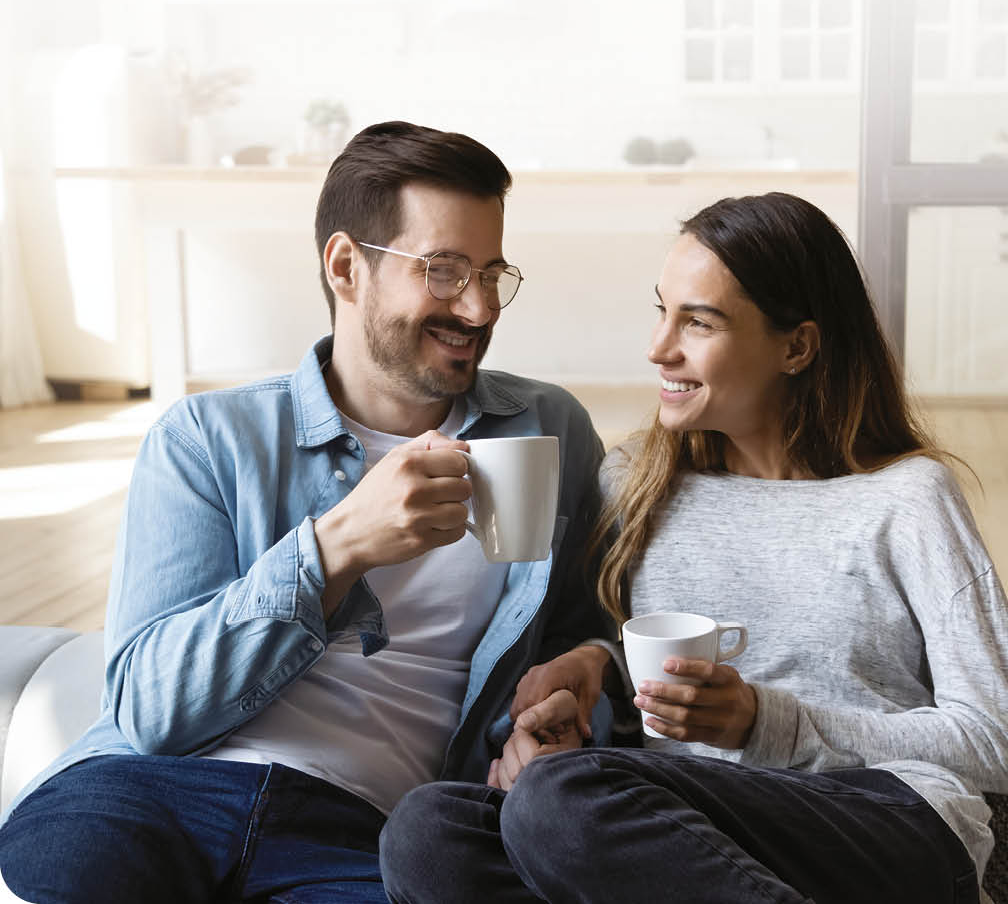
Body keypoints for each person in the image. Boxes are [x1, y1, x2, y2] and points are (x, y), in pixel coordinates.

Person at [0, 121, 607, 904]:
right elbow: (151, 711)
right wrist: (337, 546)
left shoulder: (546, 428)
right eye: (445, 271)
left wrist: (571, 691)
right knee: (74, 868)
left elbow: (585, 635)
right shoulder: (209, 437)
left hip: (364, 832)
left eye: (492, 273)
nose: (480, 306)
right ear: (346, 266)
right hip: (152, 789)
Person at [380, 191, 1008, 904]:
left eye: (697, 321)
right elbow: (643, 711)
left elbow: (995, 743)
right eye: (662, 312)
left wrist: (765, 722)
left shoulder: (908, 498)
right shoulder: (636, 485)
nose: (659, 348)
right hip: (698, 846)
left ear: (796, 347)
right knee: (429, 830)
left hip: (890, 820)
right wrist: (591, 682)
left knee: (557, 799)